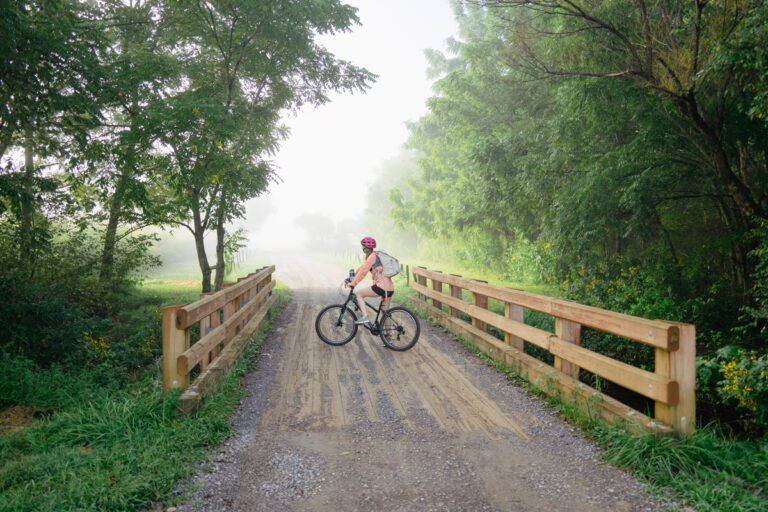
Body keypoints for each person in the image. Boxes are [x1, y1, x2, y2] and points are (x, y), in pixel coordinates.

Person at [345, 236, 394, 325]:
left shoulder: (372, 256)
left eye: (363, 247)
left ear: (364, 248)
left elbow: (363, 272)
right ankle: (388, 336)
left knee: (359, 294)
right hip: (389, 288)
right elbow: (362, 268)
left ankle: (364, 317)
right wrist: (352, 277)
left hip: (381, 287)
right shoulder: (376, 255)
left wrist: (353, 283)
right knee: (385, 313)